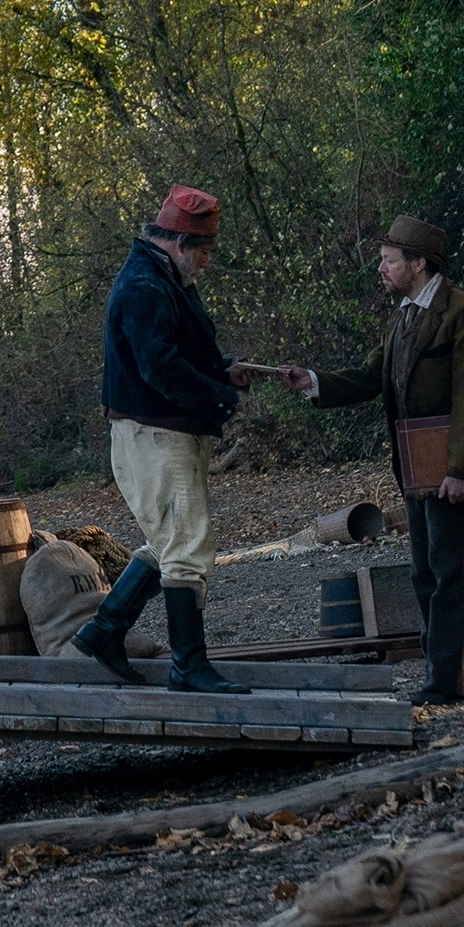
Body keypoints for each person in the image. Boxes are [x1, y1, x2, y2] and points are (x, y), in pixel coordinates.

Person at [283, 216, 464, 705]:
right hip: (416, 472)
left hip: (452, 473)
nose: (380, 270)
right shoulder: (405, 314)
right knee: (425, 574)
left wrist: (462, 471)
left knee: (452, 574)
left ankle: (450, 682)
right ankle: (441, 674)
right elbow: (372, 376)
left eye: (388, 261)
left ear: (419, 263)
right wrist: (313, 381)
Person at [71, 186, 281, 696]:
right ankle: (188, 667)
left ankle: (105, 629)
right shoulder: (147, 285)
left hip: (158, 431)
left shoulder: (159, 277)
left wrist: (221, 373)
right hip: (155, 433)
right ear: (180, 242)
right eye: (204, 249)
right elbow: (159, 368)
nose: (207, 261)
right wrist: (220, 396)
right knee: (186, 547)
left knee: (169, 543)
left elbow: (171, 356)